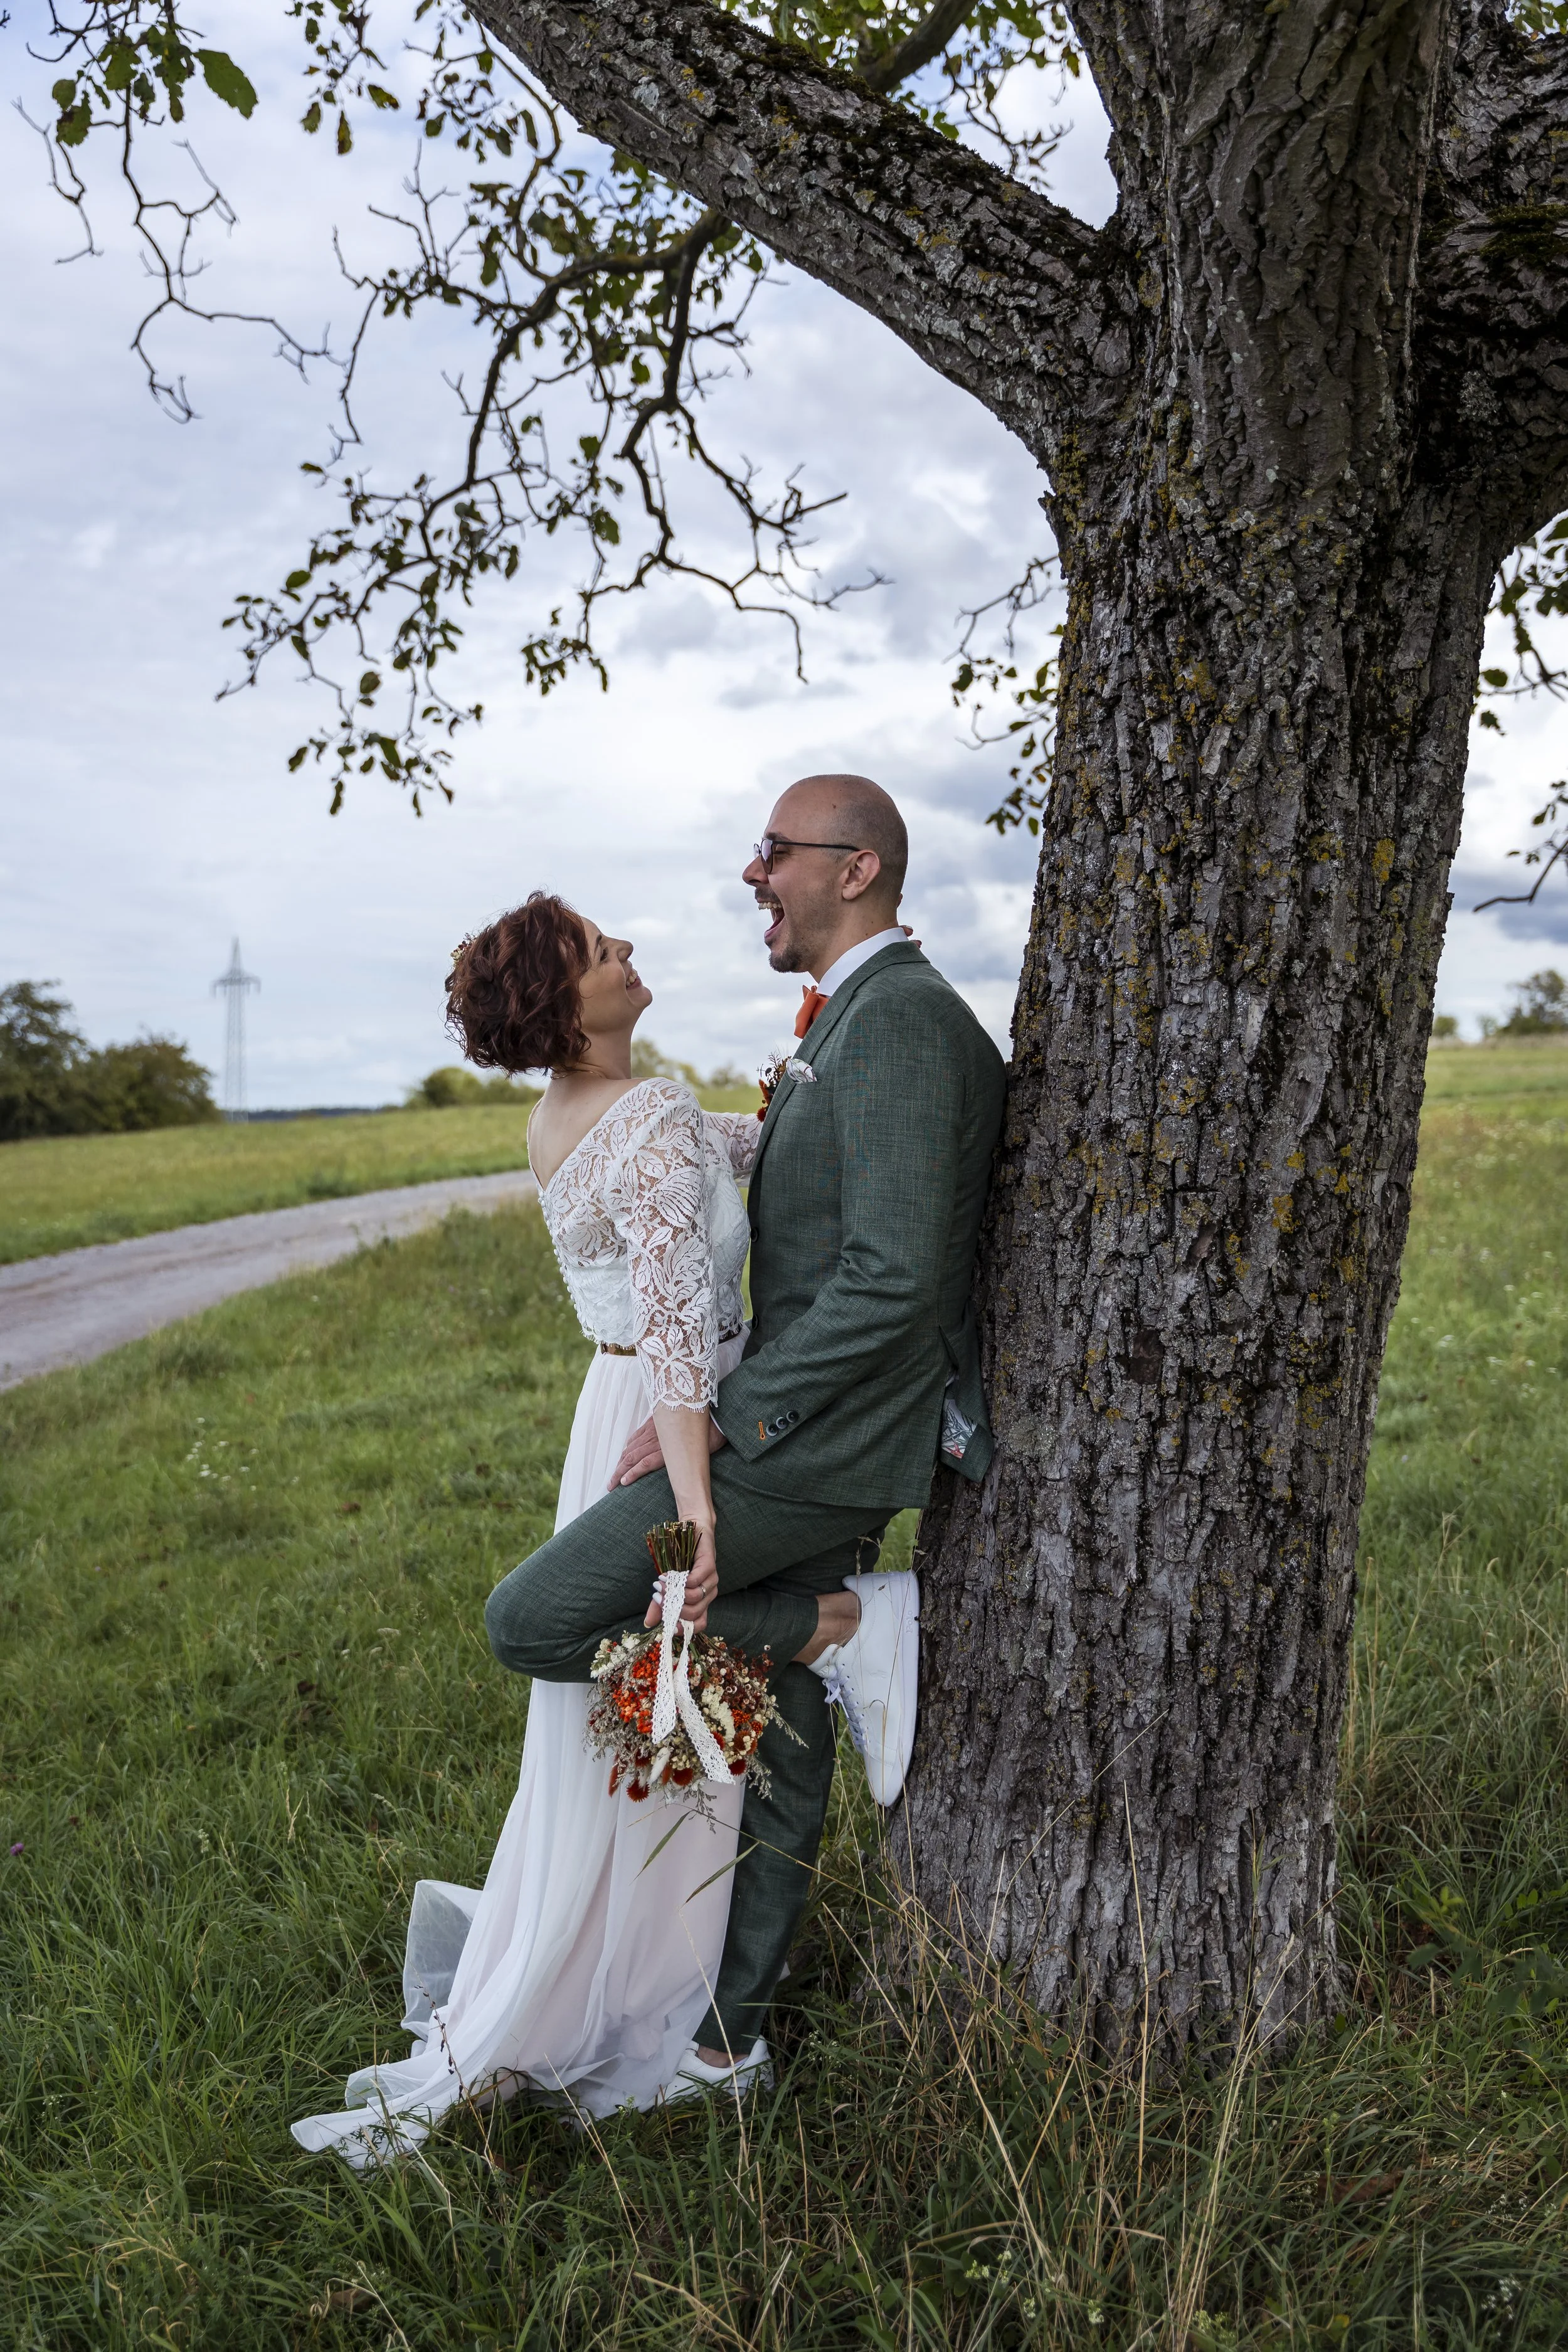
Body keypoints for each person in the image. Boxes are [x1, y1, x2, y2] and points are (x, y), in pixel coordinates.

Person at [484, 772, 1006, 2097]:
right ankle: (730, 2033)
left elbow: (891, 1281)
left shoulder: (894, 1025)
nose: (747, 873)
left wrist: (717, 1426)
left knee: (535, 1621)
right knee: (767, 1730)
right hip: (738, 1414)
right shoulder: (846, 1027)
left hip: (803, 1435)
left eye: (772, 851)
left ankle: (843, 1623)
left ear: (854, 870)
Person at [292, 891, 765, 2163]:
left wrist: (796, 1097)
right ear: (568, 1004)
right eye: (602, 953)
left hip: (609, 1401)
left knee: (646, 1698)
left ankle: (613, 1946)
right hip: (660, 1425)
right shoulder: (646, 1112)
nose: (626, 955)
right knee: (672, 1673)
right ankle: (656, 1988)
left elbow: (736, 1151)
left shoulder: (563, 1120)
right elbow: (675, 1319)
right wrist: (696, 1501)